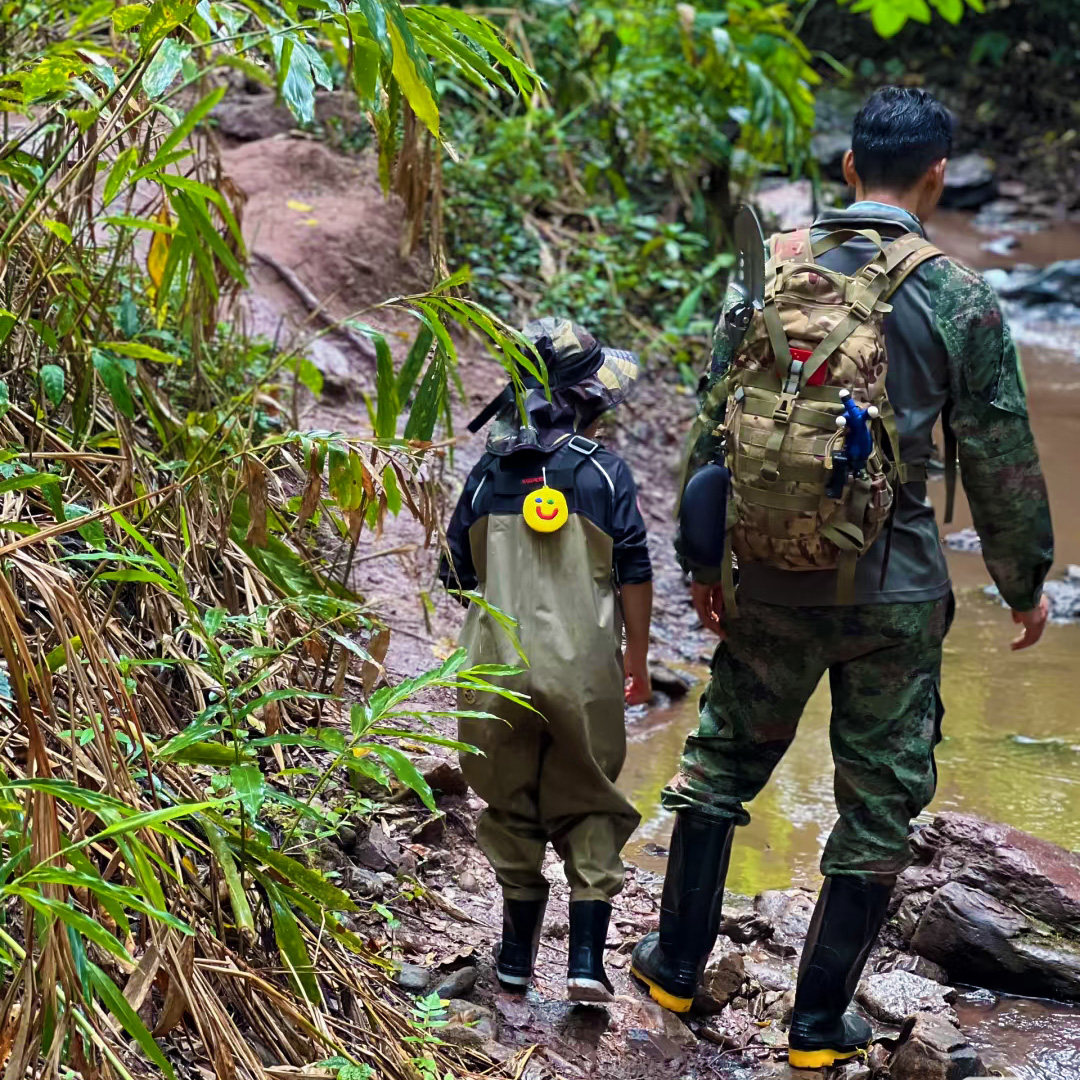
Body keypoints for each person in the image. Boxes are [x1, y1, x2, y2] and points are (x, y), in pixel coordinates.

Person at [630, 86, 1054, 1067]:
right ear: (937, 177)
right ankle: (818, 1025)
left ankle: (672, 965)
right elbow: (1000, 457)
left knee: (721, 766)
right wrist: (1023, 582)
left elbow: (712, 429)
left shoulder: (766, 272)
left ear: (850, 170)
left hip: (769, 580)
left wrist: (706, 565)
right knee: (878, 803)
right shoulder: (958, 298)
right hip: (894, 594)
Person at [440, 317, 654, 1001]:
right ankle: (587, 965)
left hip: (492, 670)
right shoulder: (604, 472)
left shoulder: (486, 474)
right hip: (582, 668)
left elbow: (453, 573)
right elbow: (635, 571)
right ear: (588, 398)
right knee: (589, 799)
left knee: (509, 804)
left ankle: (512, 961)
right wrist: (639, 659)